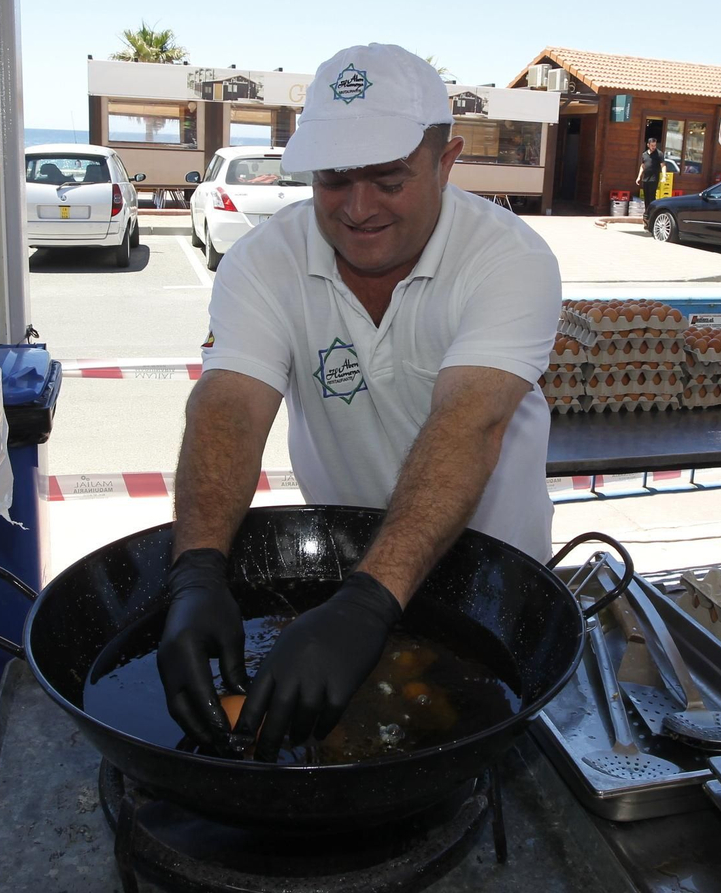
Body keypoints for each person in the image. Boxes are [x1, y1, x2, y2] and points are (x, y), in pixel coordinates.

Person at [156, 44, 561, 760]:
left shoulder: (509, 259)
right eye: (335, 179)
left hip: (491, 591)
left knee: (486, 760)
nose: (358, 207)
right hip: (343, 581)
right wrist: (197, 569)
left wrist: (372, 602)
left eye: (388, 178)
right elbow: (229, 409)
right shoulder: (263, 261)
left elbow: (469, 423)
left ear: (445, 161)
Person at [637, 136, 663, 221]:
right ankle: (647, 214)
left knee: (652, 197)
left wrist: (664, 176)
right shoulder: (644, 154)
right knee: (646, 197)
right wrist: (639, 176)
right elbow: (643, 165)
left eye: (655, 145)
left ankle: (653, 214)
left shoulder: (659, 154)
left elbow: (663, 165)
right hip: (645, 179)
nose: (653, 147)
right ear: (648, 145)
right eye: (652, 145)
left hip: (654, 179)